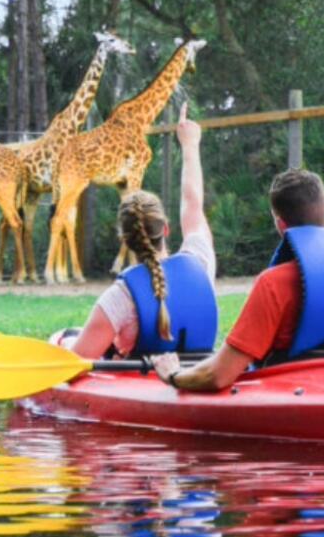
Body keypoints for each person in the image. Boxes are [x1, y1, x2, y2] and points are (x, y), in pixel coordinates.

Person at [152, 166, 324, 394]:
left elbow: (218, 375)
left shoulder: (273, 284)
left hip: (289, 394)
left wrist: (174, 375)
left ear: (280, 224)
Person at [63, 107, 216, 359]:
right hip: (200, 378)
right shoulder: (201, 261)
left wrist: (65, 344)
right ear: (165, 229)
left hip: (140, 387)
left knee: (67, 339)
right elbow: (192, 204)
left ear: (125, 240)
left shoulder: (120, 297)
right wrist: (190, 145)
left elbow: (75, 362)